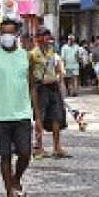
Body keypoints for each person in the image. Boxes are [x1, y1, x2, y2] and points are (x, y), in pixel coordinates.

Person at [0, 18, 42, 197]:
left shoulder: (26, 57)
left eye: (10, 33)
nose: (6, 37)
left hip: (22, 113)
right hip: (0, 114)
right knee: (5, 155)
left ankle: (16, 179)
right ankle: (9, 191)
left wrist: (37, 115)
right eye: (3, 33)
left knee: (25, 153)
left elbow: (32, 86)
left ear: (17, 35)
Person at [31, 27, 70, 158]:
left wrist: (60, 81)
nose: (47, 40)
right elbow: (29, 73)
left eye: (48, 37)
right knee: (39, 117)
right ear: (39, 39)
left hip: (53, 87)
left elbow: (57, 68)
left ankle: (57, 147)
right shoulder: (32, 54)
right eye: (44, 37)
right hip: (40, 88)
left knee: (56, 117)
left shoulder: (51, 52)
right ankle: (39, 147)